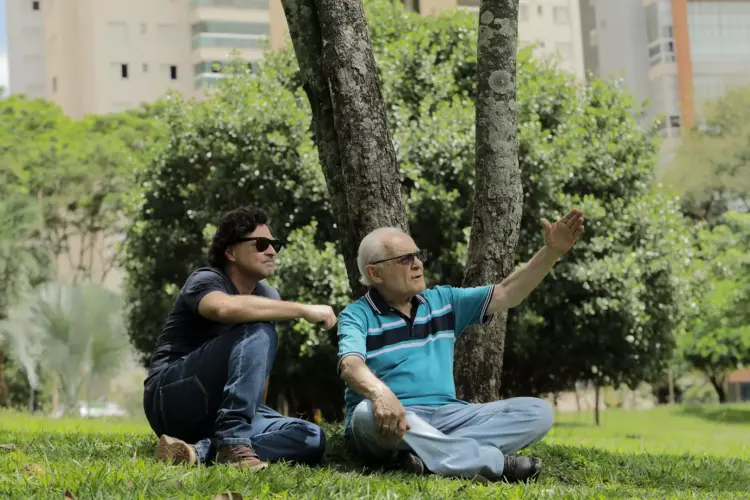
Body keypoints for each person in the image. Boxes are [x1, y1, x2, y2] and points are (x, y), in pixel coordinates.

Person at [337, 209, 585, 482]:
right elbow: (351, 365)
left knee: (537, 412)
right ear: (376, 273)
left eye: (418, 255)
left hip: (449, 415)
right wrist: (380, 393)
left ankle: (426, 457)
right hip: (389, 417)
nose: (418, 264)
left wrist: (551, 253)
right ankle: (492, 463)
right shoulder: (356, 315)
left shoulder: (443, 300)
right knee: (364, 413)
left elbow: (507, 293)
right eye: (405, 259)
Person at [142, 205, 337, 470]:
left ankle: (200, 451)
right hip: (172, 397)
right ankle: (232, 441)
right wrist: (302, 309)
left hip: (221, 410)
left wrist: (255, 414)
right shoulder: (206, 279)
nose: (271, 251)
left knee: (311, 437)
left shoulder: (268, 296)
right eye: (261, 243)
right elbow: (223, 308)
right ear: (230, 252)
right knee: (257, 327)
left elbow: (256, 375)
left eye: (274, 245)